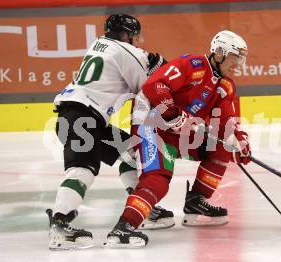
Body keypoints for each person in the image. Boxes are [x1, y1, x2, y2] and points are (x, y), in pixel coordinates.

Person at [103, 30, 251, 248]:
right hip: (152, 126)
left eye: (241, 59)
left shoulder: (225, 86)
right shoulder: (192, 64)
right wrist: (172, 114)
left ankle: (195, 203)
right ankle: (123, 228)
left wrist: (240, 142)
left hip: (181, 131)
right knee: (158, 180)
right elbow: (155, 86)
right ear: (219, 53)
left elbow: (227, 122)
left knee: (222, 148)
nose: (238, 64)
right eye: (235, 57)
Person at [46, 14, 170, 251]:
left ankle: (141, 207)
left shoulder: (98, 44)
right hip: (82, 117)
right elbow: (149, 88)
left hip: (78, 116)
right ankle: (59, 225)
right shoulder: (126, 51)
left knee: (129, 151)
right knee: (82, 171)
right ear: (125, 35)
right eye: (134, 36)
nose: (137, 40)